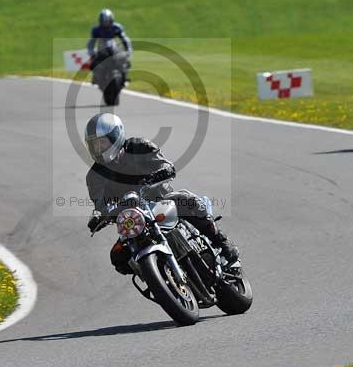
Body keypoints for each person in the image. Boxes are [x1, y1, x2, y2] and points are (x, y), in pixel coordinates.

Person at [84, 113, 238, 275]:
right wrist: (99, 216)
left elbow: (165, 165)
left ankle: (222, 242)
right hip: (134, 221)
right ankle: (159, 276)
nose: (99, 148)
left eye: (102, 142)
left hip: (161, 201)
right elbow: (100, 204)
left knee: (186, 200)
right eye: (95, 145)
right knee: (118, 257)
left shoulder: (139, 146)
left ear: (115, 136)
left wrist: (158, 174)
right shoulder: (94, 176)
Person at [87, 9, 132, 75]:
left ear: (111, 20)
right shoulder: (96, 30)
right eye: (104, 21)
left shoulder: (117, 27)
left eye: (107, 21)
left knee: (125, 61)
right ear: (101, 21)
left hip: (114, 48)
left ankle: (124, 77)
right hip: (102, 50)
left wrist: (128, 50)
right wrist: (91, 52)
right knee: (92, 64)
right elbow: (91, 42)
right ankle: (96, 77)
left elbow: (124, 39)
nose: (106, 23)